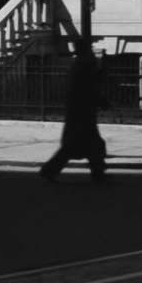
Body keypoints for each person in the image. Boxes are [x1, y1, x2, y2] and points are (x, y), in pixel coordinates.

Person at [40, 43, 109, 182]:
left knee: (80, 147)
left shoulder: (79, 66)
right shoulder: (82, 66)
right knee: (89, 146)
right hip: (81, 115)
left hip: (79, 114)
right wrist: (101, 100)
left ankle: (50, 171)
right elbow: (88, 89)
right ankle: (97, 174)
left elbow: (88, 87)